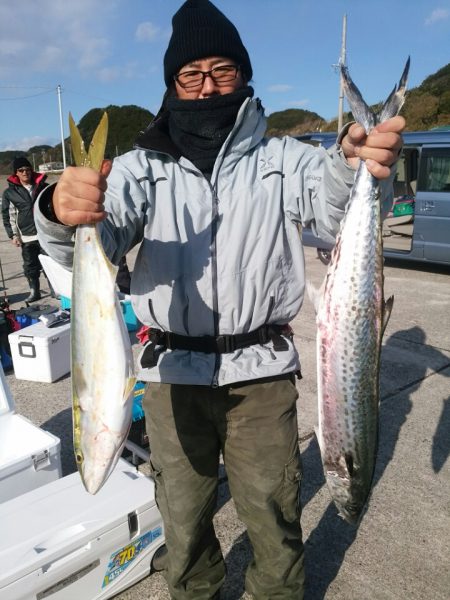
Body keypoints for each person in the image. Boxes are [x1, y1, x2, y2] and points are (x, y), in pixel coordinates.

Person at [35, 1, 405, 597]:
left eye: (222, 71)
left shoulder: (286, 159)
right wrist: (59, 209)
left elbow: (335, 207)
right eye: (191, 74)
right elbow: (93, 238)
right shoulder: (137, 169)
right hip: (171, 376)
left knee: (274, 521)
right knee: (182, 527)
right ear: (172, 82)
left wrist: (359, 163)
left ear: (244, 75)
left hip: (261, 379)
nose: (206, 85)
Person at [2, 157, 48, 302]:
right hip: (27, 236)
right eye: (21, 170)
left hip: (46, 234)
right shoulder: (9, 193)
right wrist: (13, 235)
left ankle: (55, 289)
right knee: (30, 266)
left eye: (27, 169)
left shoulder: (44, 186)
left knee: (50, 263)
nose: (25, 172)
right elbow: (9, 215)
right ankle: (35, 292)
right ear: (16, 173)